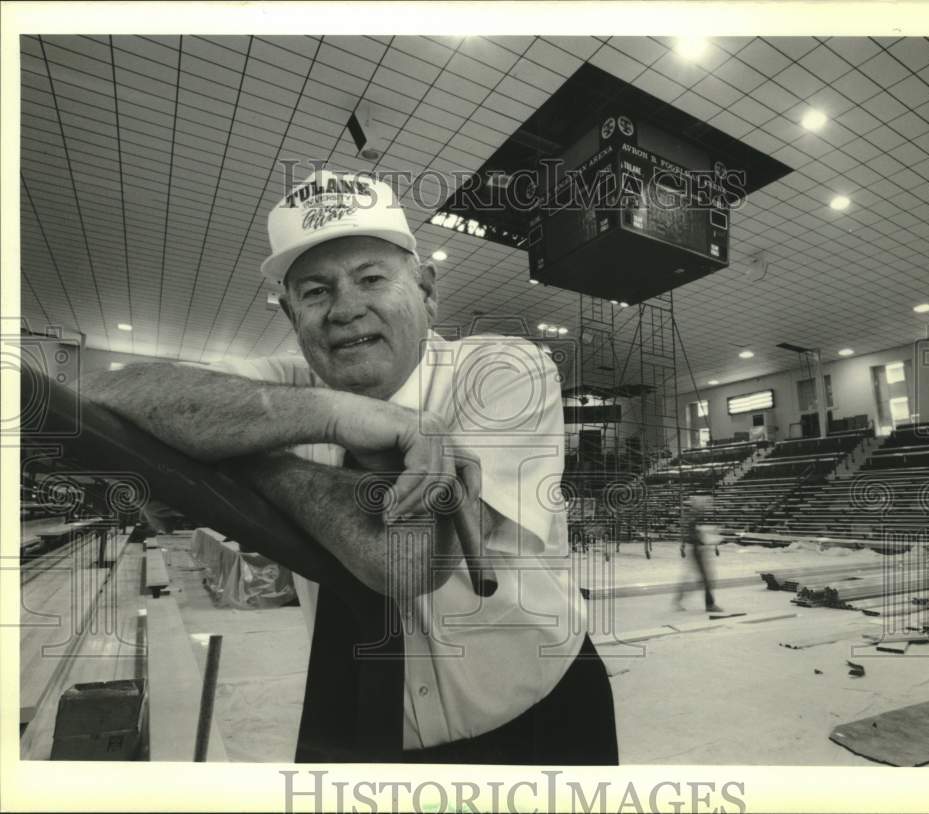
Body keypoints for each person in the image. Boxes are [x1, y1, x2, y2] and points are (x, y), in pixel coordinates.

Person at [80, 170, 617, 764]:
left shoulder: (502, 370)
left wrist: (240, 466)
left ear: (428, 292)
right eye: (315, 291)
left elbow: (404, 559)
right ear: (290, 317)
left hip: (535, 717)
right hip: (354, 707)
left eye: (371, 278)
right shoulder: (294, 391)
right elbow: (105, 398)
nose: (345, 309)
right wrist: (335, 414)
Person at [675, 493, 723, 613]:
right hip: (697, 550)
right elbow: (691, 534)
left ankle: (678, 599)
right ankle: (710, 605)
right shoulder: (693, 516)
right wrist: (702, 539)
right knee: (706, 578)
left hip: (697, 549)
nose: (706, 506)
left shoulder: (693, 516)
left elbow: (691, 533)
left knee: (700, 578)